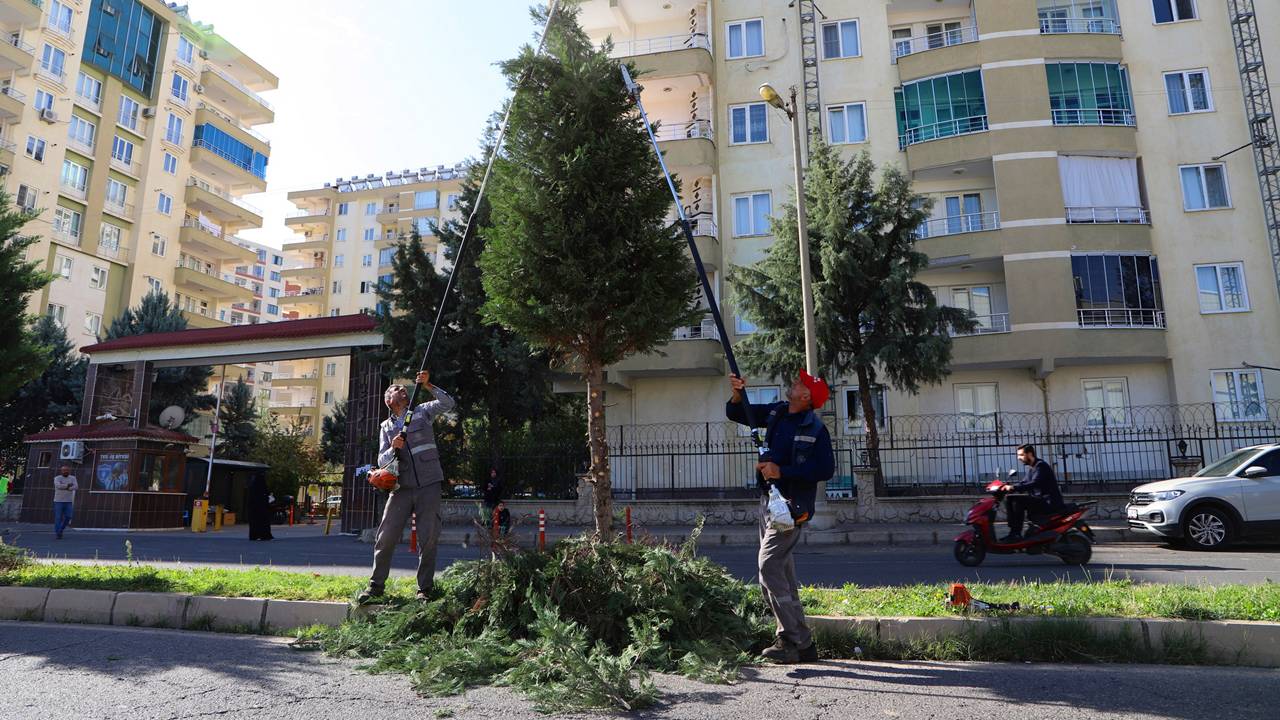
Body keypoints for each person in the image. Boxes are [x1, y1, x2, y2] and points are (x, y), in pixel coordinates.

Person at [727, 370, 835, 664]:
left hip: (791, 507)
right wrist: (737, 393)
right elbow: (737, 412)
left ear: (806, 396)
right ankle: (803, 644)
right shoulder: (778, 411)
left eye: (801, 383)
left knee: (769, 566)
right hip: (769, 503)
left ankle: (789, 639)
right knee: (782, 571)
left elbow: (825, 469)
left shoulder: (815, 429)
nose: (795, 382)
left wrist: (781, 471)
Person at [359, 370, 455, 604]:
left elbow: (448, 403)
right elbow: (382, 459)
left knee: (428, 538)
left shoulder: (422, 411)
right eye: (395, 389)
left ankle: (424, 589)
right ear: (388, 401)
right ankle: (375, 586)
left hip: (429, 483)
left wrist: (428, 384)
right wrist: (393, 447)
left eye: (403, 388)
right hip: (401, 487)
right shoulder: (385, 427)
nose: (401, 389)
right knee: (385, 537)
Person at [1003, 444, 1065, 542]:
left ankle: (1016, 533)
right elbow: (1024, 482)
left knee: (1017, 501)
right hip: (1041, 500)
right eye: (1018, 455)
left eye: (1021, 455)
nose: (1019, 458)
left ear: (1030, 454)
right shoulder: (1033, 467)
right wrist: (1007, 486)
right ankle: (1013, 532)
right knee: (1010, 498)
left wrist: (1014, 487)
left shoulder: (1041, 466)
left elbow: (1034, 483)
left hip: (1048, 502)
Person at [51, 465, 78, 540]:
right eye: (64, 470)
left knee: (69, 516)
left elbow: (76, 487)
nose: (65, 471)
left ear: (69, 471)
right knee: (58, 517)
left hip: (68, 501)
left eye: (67, 470)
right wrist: (68, 485)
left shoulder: (72, 478)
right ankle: (58, 533)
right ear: (61, 471)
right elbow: (58, 486)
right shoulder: (57, 478)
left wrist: (67, 488)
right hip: (58, 501)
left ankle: (61, 529)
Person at [246, 475, 274, 541]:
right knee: (263, 521)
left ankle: (254, 535)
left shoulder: (253, 486)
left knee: (254, 522)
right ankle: (264, 535)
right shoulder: (262, 488)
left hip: (253, 507)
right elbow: (265, 494)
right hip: (262, 508)